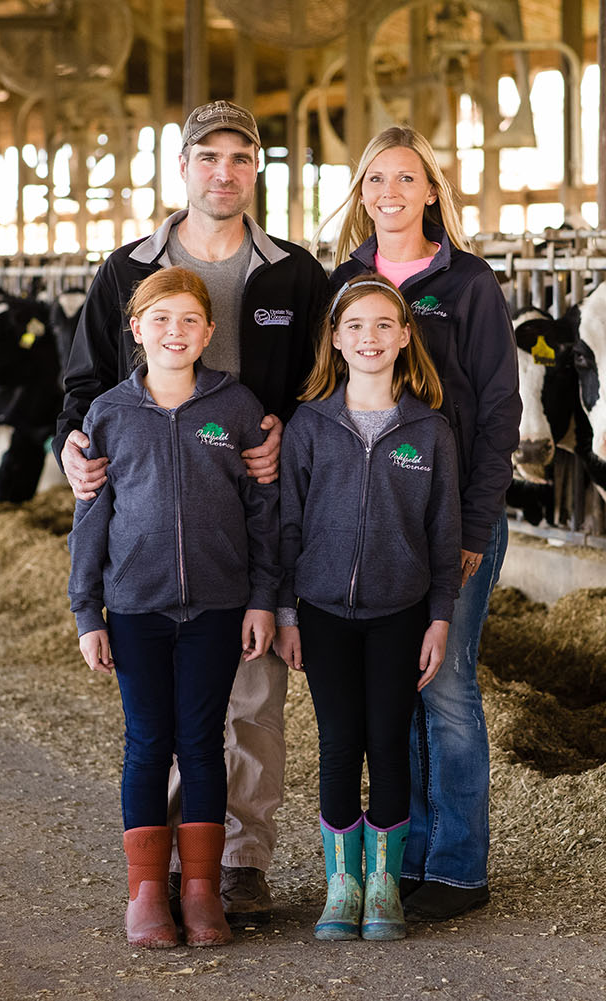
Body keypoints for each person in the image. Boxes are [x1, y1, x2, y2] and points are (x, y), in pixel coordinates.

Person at [57, 99, 330, 924]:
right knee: (171, 713)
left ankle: (240, 860)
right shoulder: (124, 270)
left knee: (252, 694)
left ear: (257, 170)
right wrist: (69, 443)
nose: (224, 172)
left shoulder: (293, 272)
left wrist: (292, 423)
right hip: (148, 513)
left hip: (252, 505)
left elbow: (328, 377)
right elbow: (82, 388)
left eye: (241, 158)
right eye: (208, 157)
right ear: (182, 167)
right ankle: (173, 860)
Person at [317, 126, 520, 921]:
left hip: (453, 521)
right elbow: (324, 389)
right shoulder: (344, 281)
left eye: (407, 178)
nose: (390, 192)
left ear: (432, 190)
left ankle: (461, 867)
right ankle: (404, 860)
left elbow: (500, 407)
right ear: (361, 191)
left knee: (450, 687)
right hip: (377, 526)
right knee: (392, 694)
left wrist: (474, 524)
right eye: (376, 179)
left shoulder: (467, 283)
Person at [68, 267, 279, 948]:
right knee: (147, 744)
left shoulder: (235, 407)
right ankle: (144, 894)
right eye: (160, 319)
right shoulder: (108, 413)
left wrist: (263, 598)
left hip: (218, 608)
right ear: (136, 330)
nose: (175, 332)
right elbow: (91, 517)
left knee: (203, 743)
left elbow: (263, 512)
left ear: (210, 332)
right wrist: (87, 612)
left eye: (190, 320)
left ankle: (201, 891)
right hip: (134, 609)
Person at [274, 273, 461, 941]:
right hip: (322, 610)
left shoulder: (429, 430)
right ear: (335, 338)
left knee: (388, 740)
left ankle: (384, 883)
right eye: (355, 326)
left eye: (384, 324)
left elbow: (444, 532)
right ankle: (341, 884)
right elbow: (286, 525)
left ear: (406, 336)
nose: (370, 337)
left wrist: (439, 614)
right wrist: (287, 612)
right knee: (337, 741)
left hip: (400, 611)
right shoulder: (310, 424)